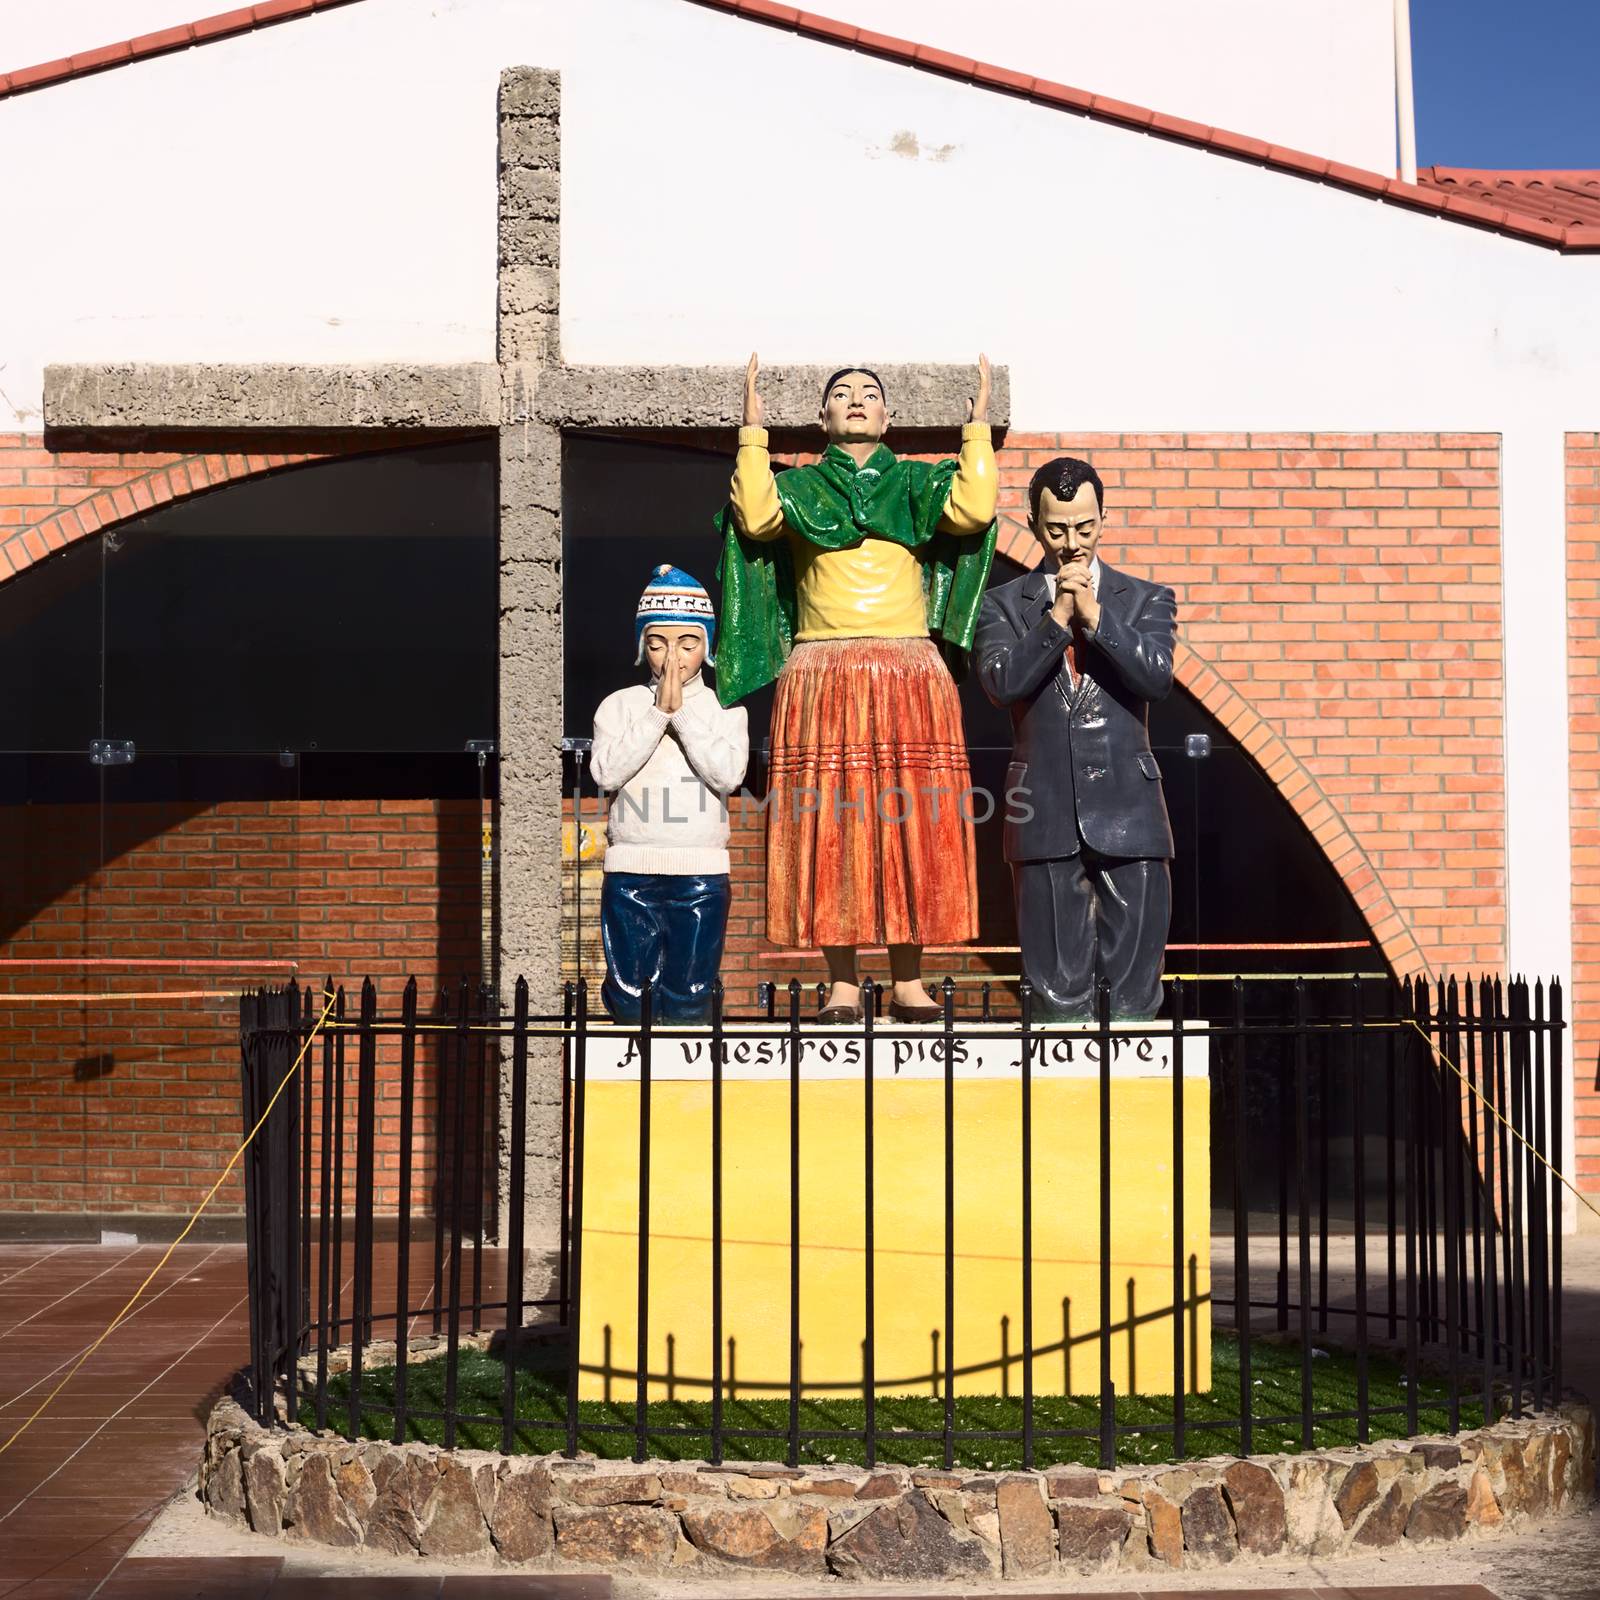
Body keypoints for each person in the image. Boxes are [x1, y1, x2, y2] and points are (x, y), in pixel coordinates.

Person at [716, 356, 997, 1022]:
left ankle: (908, 980)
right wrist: (752, 432)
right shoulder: (802, 488)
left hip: (908, 671)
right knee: (829, 824)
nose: (856, 401)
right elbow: (754, 518)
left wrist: (977, 430)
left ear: (888, 416)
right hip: (823, 671)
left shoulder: (917, 484)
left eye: (869, 394)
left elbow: (976, 506)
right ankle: (842, 981)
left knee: (914, 825)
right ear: (823, 418)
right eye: (841, 395)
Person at [974, 457, 1175, 1021]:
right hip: (1043, 812)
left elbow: (1155, 678)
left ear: (1104, 520)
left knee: (1134, 998)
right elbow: (1001, 683)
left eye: (1084, 528)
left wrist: (1097, 617)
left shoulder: (1145, 599)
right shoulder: (1001, 605)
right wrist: (1056, 619)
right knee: (1055, 996)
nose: (1071, 542)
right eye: (1058, 528)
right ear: (1035, 525)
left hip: (1132, 815)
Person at [590, 565, 749, 1022]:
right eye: (658, 643)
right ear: (643, 644)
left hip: (701, 871)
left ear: (707, 645)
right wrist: (658, 713)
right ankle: (628, 1079)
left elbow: (727, 775)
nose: (673, 657)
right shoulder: (618, 706)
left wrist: (680, 714)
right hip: (630, 871)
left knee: (691, 990)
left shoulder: (725, 709)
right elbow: (605, 771)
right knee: (627, 990)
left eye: (688, 643)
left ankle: (683, 1079)